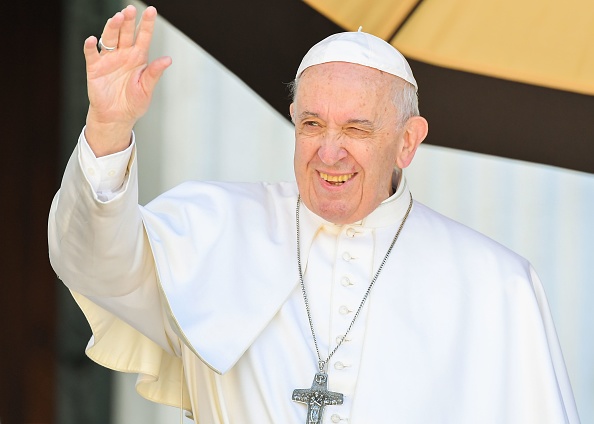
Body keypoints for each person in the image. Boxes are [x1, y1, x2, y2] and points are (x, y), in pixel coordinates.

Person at [48, 4, 580, 423]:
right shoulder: (214, 226)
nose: (329, 153)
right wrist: (109, 128)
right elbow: (94, 261)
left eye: (356, 129)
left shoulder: (496, 286)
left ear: (407, 143)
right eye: (311, 125)